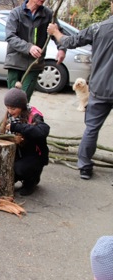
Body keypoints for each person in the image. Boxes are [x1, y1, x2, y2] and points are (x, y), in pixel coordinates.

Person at [47, 1, 113, 181]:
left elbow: (70, 41)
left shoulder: (99, 28)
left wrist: (55, 32)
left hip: (100, 87)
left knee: (91, 128)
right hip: (101, 87)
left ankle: (84, 166)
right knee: (91, 129)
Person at [4, 0, 66, 102]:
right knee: (12, 99)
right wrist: (29, 47)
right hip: (15, 63)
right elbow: (10, 37)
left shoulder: (48, 14)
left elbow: (58, 32)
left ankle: (22, 117)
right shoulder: (16, 13)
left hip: (34, 64)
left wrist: (62, 49)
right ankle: (12, 118)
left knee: (24, 99)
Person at [0, 88, 50, 196]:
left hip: (35, 154)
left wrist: (17, 127)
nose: (10, 111)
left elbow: (43, 131)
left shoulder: (35, 116)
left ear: (21, 107)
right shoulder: (10, 116)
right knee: (4, 169)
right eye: (7, 108)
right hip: (19, 152)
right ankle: (16, 176)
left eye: (13, 108)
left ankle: (32, 180)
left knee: (19, 169)